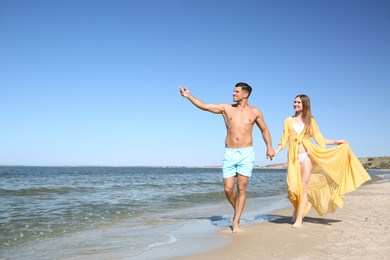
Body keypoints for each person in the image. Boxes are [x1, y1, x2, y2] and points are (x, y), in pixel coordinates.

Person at [179, 82, 275, 233]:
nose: (233, 94)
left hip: (246, 153)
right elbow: (205, 106)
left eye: (236, 92)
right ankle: (238, 208)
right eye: (233, 91)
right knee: (228, 189)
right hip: (229, 153)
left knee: (241, 187)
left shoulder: (255, 111)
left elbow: (264, 129)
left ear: (245, 94)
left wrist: (269, 146)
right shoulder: (226, 108)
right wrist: (189, 96)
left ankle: (235, 221)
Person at [274, 94, 371, 228]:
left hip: (307, 155)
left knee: (303, 187)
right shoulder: (288, 120)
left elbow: (320, 139)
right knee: (292, 188)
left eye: (298, 103)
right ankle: (297, 208)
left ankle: (299, 220)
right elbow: (284, 139)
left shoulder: (311, 121)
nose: (295, 104)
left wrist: (337, 142)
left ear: (305, 105)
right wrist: (275, 151)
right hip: (293, 158)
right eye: (295, 102)